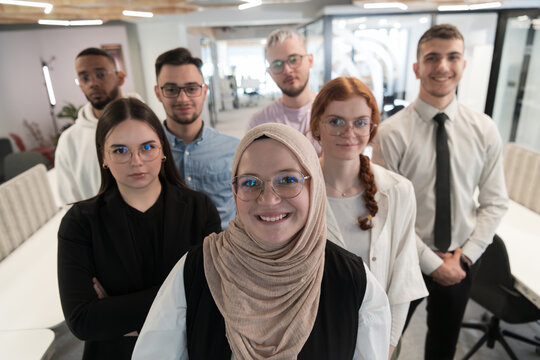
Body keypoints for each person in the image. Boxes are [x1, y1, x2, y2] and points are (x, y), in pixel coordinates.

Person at [132, 123, 391, 360]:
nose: (268, 199)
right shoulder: (197, 271)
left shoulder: (352, 281)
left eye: (288, 180)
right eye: (250, 183)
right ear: (235, 193)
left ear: (315, 187)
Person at [373, 24, 509, 360]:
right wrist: (433, 263)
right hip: (406, 258)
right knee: (381, 344)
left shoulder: (484, 129)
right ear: (417, 67)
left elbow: (494, 202)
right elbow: (387, 212)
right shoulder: (391, 133)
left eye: (453, 57)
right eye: (432, 57)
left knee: (443, 348)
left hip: (462, 259)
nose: (443, 66)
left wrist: (464, 257)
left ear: (463, 65)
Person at [57, 98, 221, 360]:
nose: (136, 161)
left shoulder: (199, 210)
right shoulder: (80, 223)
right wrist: (179, 299)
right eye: (120, 150)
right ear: (104, 156)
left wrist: (116, 314)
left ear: (163, 150)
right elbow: (83, 321)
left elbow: (214, 298)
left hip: (187, 351)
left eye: (147, 147)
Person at [310, 76, 427, 359]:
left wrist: (386, 347)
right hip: (314, 334)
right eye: (336, 121)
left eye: (360, 122)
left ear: (372, 128)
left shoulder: (398, 190)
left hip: (378, 336)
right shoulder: (298, 190)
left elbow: (403, 275)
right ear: (316, 126)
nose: (348, 131)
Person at [154, 47, 239, 229]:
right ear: (157, 93)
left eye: (191, 88)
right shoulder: (146, 152)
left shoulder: (234, 149)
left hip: (222, 252)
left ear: (204, 91)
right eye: (171, 89)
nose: (183, 98)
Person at [55, 47, 139, 204]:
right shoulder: (69, 141)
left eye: (100, 75)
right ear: (80, 85)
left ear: (119, 77)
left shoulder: (146, 125)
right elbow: (70, 201)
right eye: (85, 78)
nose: (93, 83)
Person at [246, 28, 321, 153]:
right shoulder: (260, 124)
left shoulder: (331, 113)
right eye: (277, 65)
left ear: (310, 60)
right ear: (270, 73)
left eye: (294, 59)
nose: (287, 70)